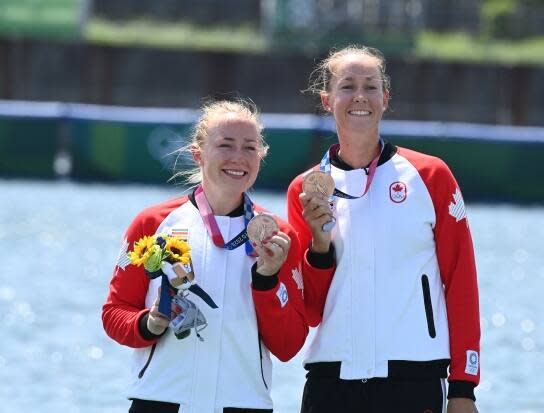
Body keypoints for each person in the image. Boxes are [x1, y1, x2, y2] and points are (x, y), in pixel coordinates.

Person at [287, 45, 481, 413]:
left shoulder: (430, 176)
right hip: (331, 380)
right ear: (327, 100)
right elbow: (311, 310)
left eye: (370, 86)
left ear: (385, 99)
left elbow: (461, 284)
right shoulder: (304, 188)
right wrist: (319, 244)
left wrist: (464, 386)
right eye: (347, 86)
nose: (359, 97)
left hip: (415, 377)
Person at [103, 100, 308, 413]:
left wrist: (266, 280)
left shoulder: (278, 236)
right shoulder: (152, 224)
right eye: (225, 145)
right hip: (162, 401)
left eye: (249, 148)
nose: (238, 157)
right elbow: (114, 313)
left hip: (242, 404)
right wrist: (149, 324)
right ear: (198, 153)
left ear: (261, 156)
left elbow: (289, 346)